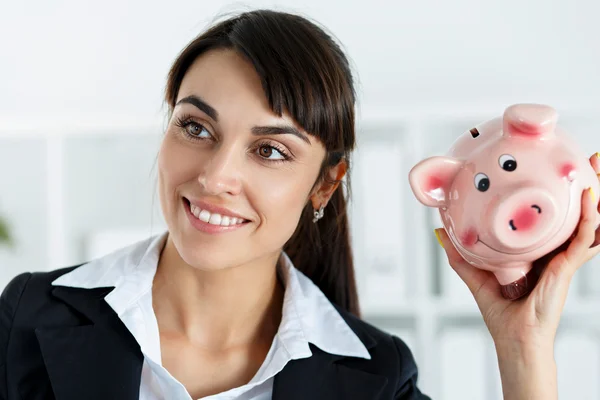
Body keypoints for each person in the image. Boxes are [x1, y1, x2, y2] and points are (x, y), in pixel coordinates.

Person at [1, 9, 599, 400]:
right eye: (196, 128)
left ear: (325, 185)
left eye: (269, 150)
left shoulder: (377, 379)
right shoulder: (27, 317)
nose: (215, 177)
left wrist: (523, 347)